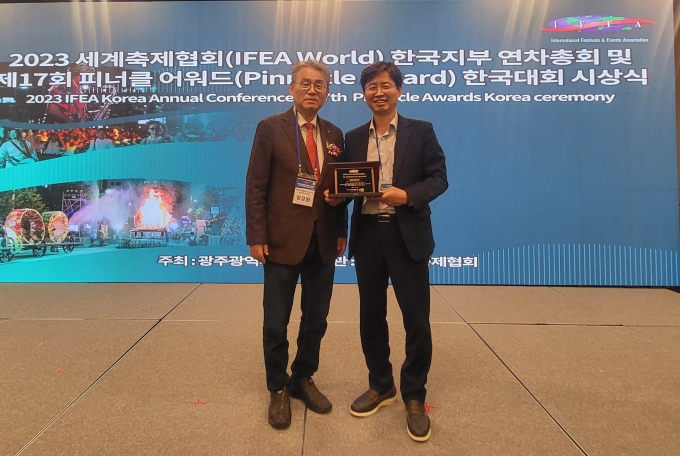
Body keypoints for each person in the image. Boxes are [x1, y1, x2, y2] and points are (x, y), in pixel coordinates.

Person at [338, 62, 447, 442]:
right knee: (371, 316)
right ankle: (381, 385)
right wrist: (337, 195)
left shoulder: (422, 131)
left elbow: (439, 178)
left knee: (416, 318)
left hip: (407, 235)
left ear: (398, 90)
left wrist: (408, 195)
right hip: (369, 234)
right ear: (364, 93)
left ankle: (414, 395)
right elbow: (346, 185)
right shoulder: (353, 137)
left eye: (386, 85)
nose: (379, 92)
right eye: (371, 87)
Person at [245, 59, 347, 430]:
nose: (312, 90)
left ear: (327, 92)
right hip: (281, 240)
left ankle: (303, 377)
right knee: (276, 321)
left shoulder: (335, 134)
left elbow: (339, 186)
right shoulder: (271, 127)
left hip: (324, 240)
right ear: (292, 88)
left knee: (316, 319)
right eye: (305, 83)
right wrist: (257, 236)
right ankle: (278, 387)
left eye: (319, 84)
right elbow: (256, 185)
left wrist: (341, 230)